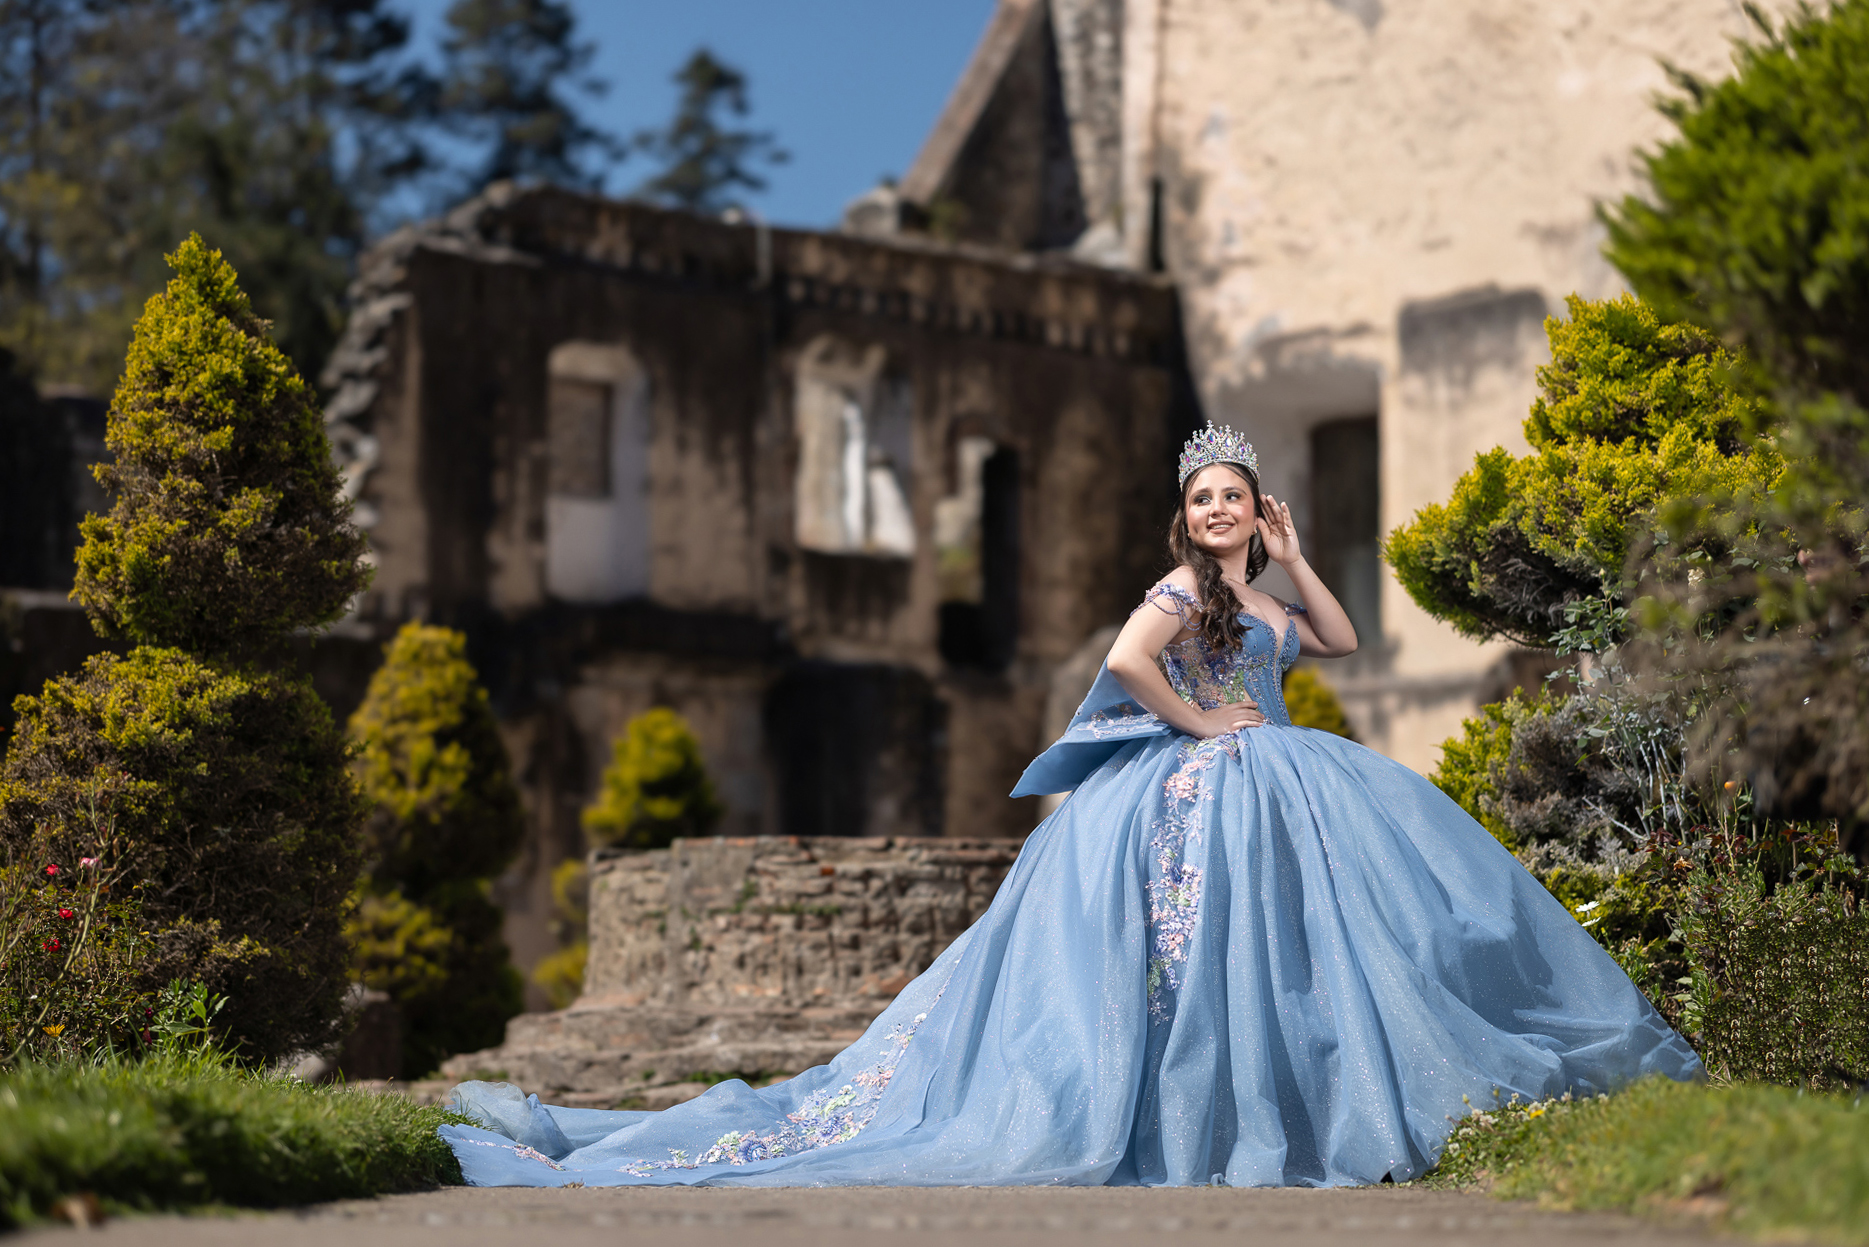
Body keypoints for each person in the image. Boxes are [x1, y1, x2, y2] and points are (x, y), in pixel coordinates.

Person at [442, 423, 1702, 1188]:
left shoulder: (1266, 597)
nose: (1217, 511)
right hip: (1194, 788)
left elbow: (1341, 636)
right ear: (1183, 516)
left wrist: (1295, 551)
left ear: (1255, 509)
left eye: (1234, 496)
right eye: (1203, 499)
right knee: (1184, 964)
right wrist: (1203, 725)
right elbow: (1124, 663)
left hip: (1284, 781)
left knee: (1283, 957)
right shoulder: (1178, 591)